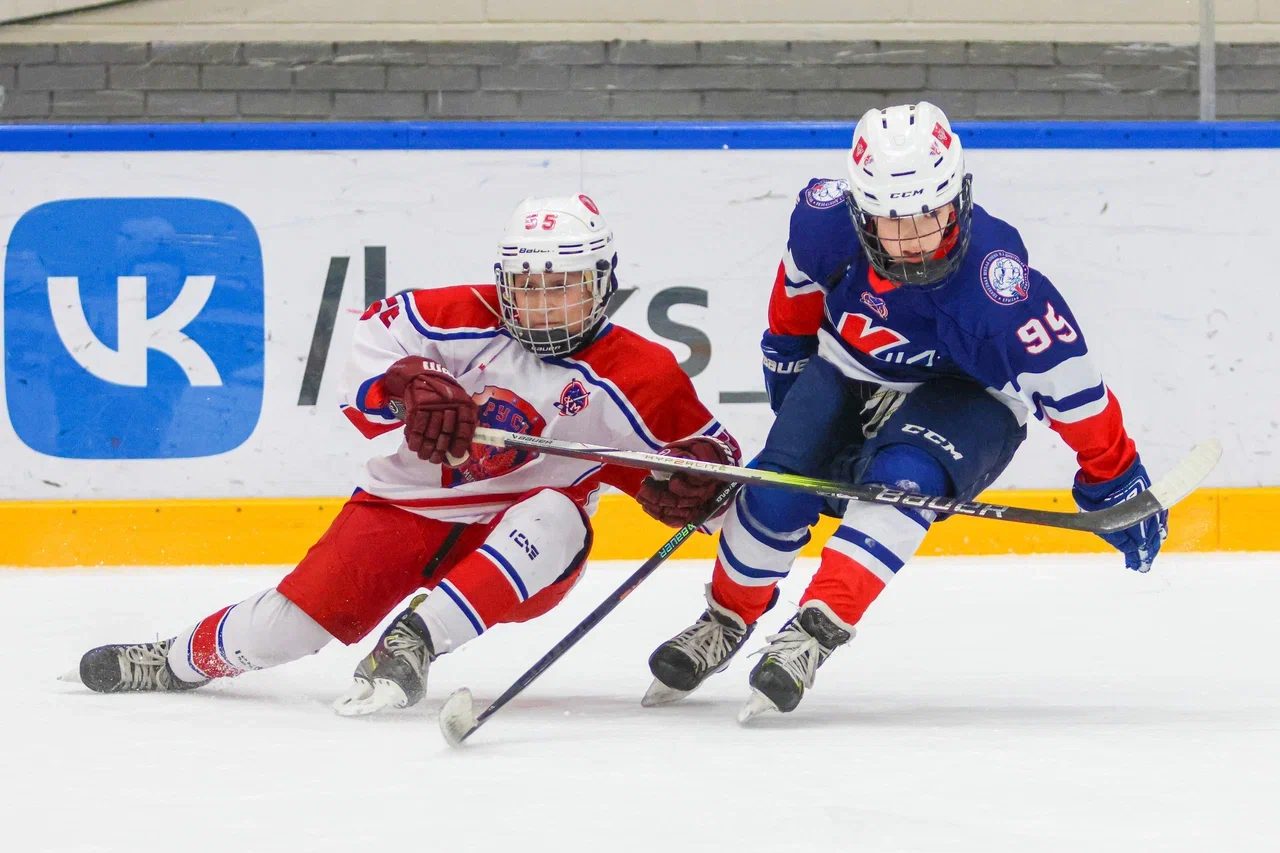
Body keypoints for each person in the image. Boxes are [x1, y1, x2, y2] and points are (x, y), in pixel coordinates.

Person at [70, 194, 738, 716]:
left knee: (556, 515)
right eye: (527, 285)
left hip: (518, 555)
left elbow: (715, 466)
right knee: (291, 627)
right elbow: (375, 338)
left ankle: (412, 642)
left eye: (561, 285)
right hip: (405, 508)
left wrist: (698, 479)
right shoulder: (451, 314)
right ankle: (175, 659)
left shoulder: (642, 374)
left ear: (602, 281)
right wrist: (406, 382)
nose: (541, 305)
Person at [642, 102, 1169, 722]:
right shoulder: (823, 219)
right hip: (851, 367)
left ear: (960, 198)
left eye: (930, 218)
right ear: (860, 212)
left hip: (969, 397)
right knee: (778, 483)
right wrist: (792, 391)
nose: (914, 241)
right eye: (893, 224)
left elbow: (1074, 390)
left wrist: (1114, 476)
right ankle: (725, 619)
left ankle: (813, 632)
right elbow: (793, 306)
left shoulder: (1001, 287)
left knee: (901, 486)